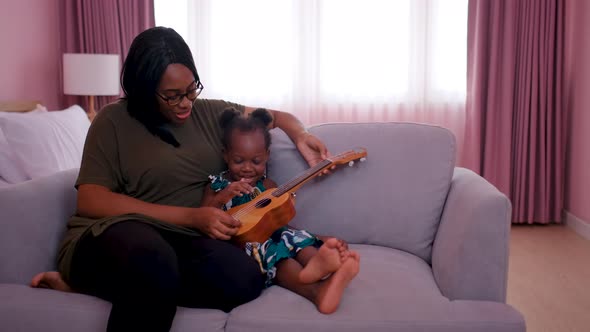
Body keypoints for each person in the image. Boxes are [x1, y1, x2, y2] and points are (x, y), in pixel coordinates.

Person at [30, 26, 335, 332]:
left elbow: (277, 117)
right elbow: (91, 199)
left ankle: (97, 287)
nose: (186, 103)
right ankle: (93, 277)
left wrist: (301, 133)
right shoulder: (112, 121)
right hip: (113, 234)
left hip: (184, 240)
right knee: (153, 261)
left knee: (245, 279)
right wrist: (191, 216)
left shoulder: (212, 113)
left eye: (192, 89)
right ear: (144, 89)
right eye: (172, 96)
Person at [201, 108, 360, 314]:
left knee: (293, 238)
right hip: (245, 243)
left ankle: (321, 263)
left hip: (276, 233)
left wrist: (316, 237)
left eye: (256, 161)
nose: (247, 168)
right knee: (275, 253)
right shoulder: (217, 185)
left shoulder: (268, 185)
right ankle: (315, 290)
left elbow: (279, 224)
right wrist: (223, 196)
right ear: (225, 155)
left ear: (267, 155)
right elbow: (202, 216)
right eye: (239, 161)